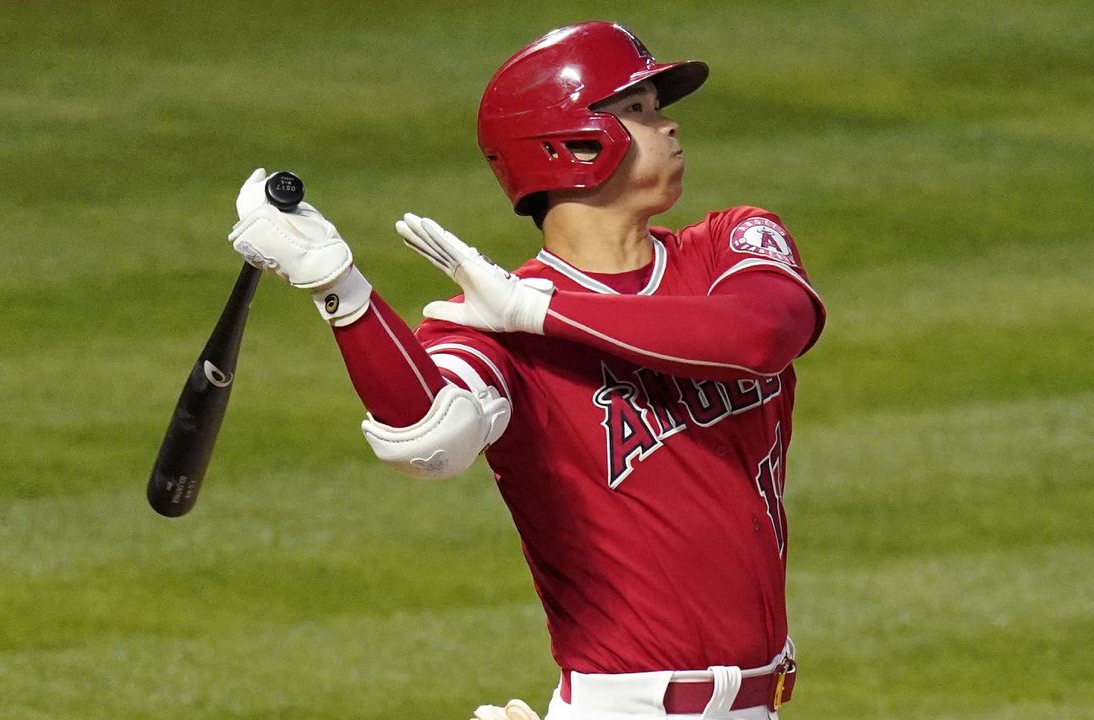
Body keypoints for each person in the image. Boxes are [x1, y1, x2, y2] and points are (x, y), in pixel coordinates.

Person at [226, 21, 825, 720]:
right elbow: (426, 440)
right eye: (638, 110)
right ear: (570, 144)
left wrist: (538, 310)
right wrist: (341, 289)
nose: (668, 125)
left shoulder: (729, 245)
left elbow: (764, 335)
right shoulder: (488, 324)